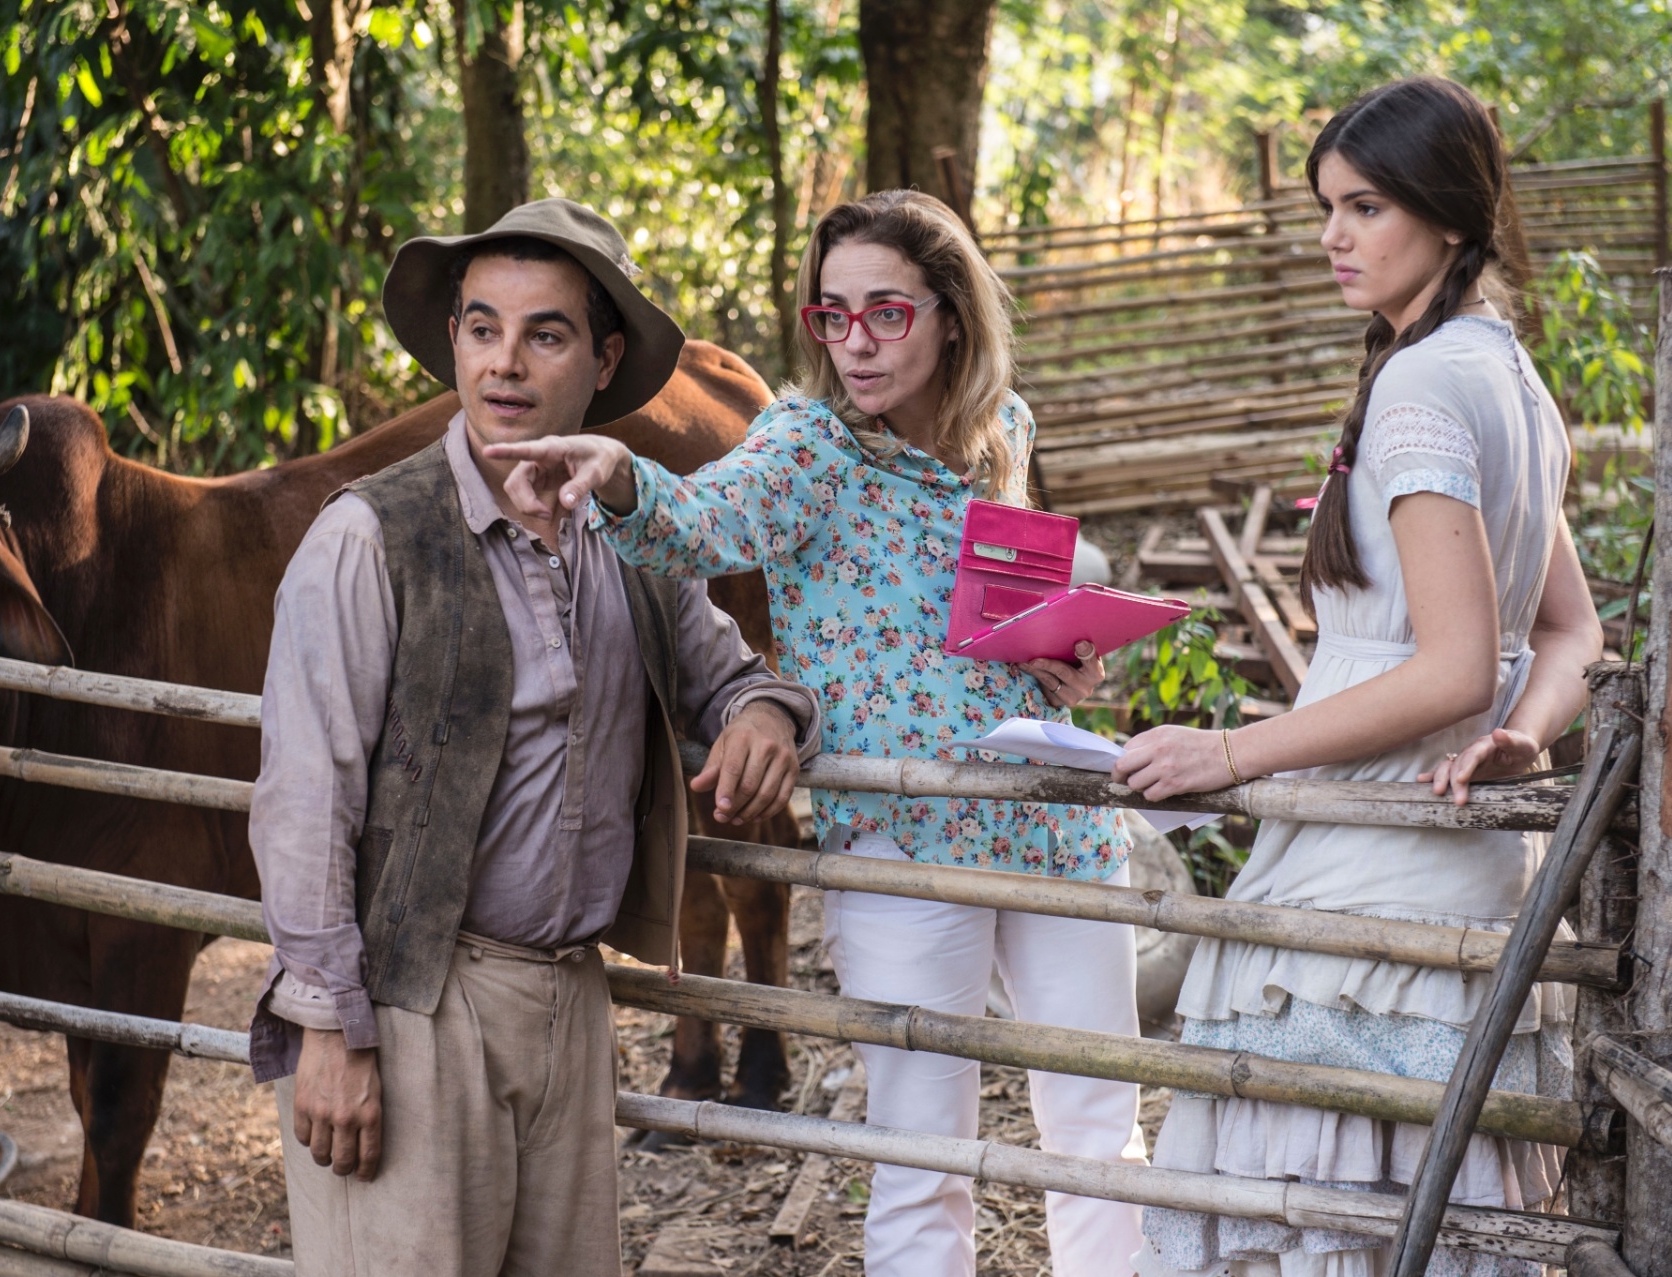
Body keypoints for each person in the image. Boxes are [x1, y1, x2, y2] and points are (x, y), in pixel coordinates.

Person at [484, 189, 1149, 1277]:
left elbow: (999, 619)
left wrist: (1060, 655)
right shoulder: (810, 443)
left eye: (885, 313)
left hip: (1045, 816)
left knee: (1098, 1127)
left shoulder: (1005, 429)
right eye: (830, 316)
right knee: (922, 1153)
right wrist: (619, 478)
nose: (855, 343)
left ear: (951, 314)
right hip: (900, 840)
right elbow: (703, 519)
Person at [245, 198, 823, 1277]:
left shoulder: (628, 538)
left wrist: (761, 713)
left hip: (575, 998)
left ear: (603, 358)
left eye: (543, 334)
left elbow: (737, 671)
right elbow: (304, 796)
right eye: (480, 328)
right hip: (417, 999)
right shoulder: (371, 535)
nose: (504, 363)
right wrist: (326, 1027)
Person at [1115, 78, 1607, 1276]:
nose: (1335, 236)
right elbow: (1571, 638)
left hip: (1375, 880)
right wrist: (1528, 736)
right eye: (1329, 206)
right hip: (1464, 863)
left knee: (1328, 1223)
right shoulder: (1509, 373)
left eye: (1367, 206)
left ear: (1447, 215)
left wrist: (1223, 753)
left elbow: (1448, 668)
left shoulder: (1426, 385)